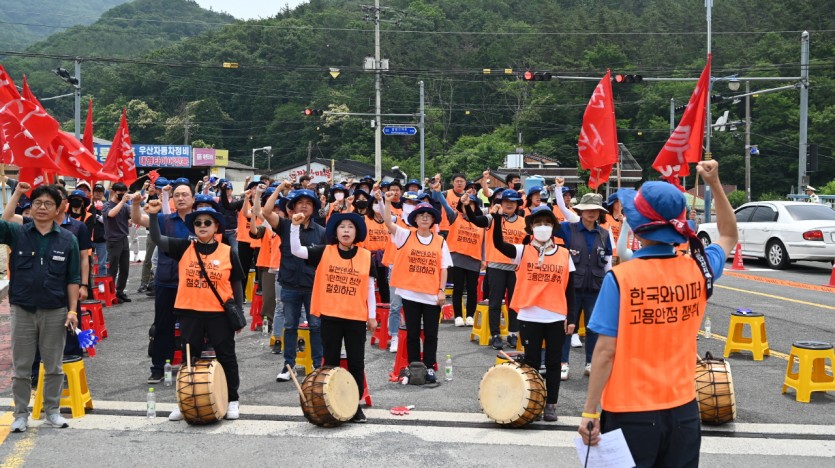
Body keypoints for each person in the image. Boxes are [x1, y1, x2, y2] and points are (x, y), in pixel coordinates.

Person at [578, 160, 737, 466]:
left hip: (629, 410)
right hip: (684, 409)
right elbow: (729, 235)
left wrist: (589, 410)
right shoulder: (700, 268)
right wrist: (714, 184)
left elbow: (605, 352)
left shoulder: (621, 278)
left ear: (638, 228)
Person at [146, 201, 245, 421]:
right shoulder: (184, 247)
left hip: (219, 313)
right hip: (190, 312)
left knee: (226, 356)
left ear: (216, 227)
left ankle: (232, 399)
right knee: (189, 359)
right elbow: (158, 239)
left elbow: (236, 283)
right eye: (198, 223)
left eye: (208, 223)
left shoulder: (228, 251)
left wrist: (238, 314)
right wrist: (153, 216)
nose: (202, 226)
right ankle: (186, 402)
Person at [0, 183, 80, 432]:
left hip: (55, 310)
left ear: (58, 209)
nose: (42, 207)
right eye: (37, 203)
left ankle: (52, 411)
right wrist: (17, 193)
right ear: (31, 207)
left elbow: (73, 279)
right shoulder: (18, 233)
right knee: (22, 367)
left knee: (53, 365)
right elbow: (2, 222)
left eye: (48, 203)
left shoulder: (68, 239)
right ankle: (20, 414)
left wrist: (72, 310)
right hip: (22, 309)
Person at [290, 211, 377, 422]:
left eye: (350, 227)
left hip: (356, 317)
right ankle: (331, 404)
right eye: (342, 227)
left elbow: (369, 289)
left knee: (356, 363)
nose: (346, 230)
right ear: (335, 232)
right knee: (330, 362)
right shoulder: (324, 251)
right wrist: (294, 226)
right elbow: (296, 250)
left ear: (356, 232)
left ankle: (354, 406)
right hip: (331, 316)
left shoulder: (366, 256)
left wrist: (372, 316)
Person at [491, 205, 576, 421]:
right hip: (529, 315)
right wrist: (497, 219)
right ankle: (533, 401)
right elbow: (499, 244)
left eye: (547, 223)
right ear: (531, 228)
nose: (543, 227)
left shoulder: (565, 254)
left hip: (556, 316)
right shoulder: (522, 251)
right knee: (532, 361)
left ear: (553, 227)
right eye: (538, 223)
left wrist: (572, 318)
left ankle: (551, 404)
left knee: (554, 363)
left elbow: (571, 290)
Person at [131, 182, 199, 383]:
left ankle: (191, 365)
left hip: (192, 283)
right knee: (163, 326)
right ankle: (159, 367)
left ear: (193, 199)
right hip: (166, 281)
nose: (180, 198)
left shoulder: (201, 222)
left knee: (192, 327)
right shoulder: (164, 219)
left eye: (185, 194)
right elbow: (137, 219)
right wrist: (135, 203)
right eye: (177, 195)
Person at [383, 192, 451, 385]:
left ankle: (429, 366)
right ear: (415, 219)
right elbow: (388, 223)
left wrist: (441, 291)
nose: (425, 218)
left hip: (431, 295)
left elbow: (443, 268)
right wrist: (387, 202)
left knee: (431, 334)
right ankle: (414, 367)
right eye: (421, 215)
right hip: (410, 293)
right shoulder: (405, 235)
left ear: (433, 220)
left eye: (428, 216)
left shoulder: (440, 241)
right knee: (412, 333)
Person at [261, 184, 326, 382]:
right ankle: (288, 366)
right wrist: (280, 188)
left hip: (313, 286)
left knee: (316, 326)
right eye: (300, 203)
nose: (304, 206)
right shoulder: (285, 226)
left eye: (308, 203)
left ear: (313, 208)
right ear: (293, 207)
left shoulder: (322, 232)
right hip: (289, 285)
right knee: (290, 326)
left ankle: (317, 365)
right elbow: (266, 211)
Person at [554, 191, 613, 381]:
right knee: (567, 326)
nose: (591, 213)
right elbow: (545, 227)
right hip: (571, 287)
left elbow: (607, 262)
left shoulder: (604, 234)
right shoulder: (568, 228)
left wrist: (610, 285)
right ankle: (563, 363)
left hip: (595, 287)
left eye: (595, 209)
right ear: (580, 211)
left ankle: (591, 363)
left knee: (593, 327)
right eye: (588, 209)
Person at [463, 188, 526, 350]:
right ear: (501, 203)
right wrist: (467, 206)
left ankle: (513, 334)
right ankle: (495, 335)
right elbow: (475, 220)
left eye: (513, 202)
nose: (509, 204)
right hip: (496, 266)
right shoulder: (493, 217)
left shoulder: (523, 222)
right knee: (495, 302)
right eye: (506, 202)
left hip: (516, 268)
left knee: (514, 303)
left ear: (518, 204)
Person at [430, 179, 483, 327]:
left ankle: (470, 315)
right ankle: (459, 315)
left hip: (474, 259)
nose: (469, 207)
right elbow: (445, 204)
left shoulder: (481, 221)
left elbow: (484, 242)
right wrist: (437, 192)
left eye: (471, 205)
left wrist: (484, 260)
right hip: (457, 258)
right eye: (466, 205)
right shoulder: (454, 216)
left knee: (472, 290)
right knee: (458, 288)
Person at [103, 182, 132, 303]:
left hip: (124, 239)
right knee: (113, 269)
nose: (122, 196)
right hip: (113, 241)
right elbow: (111, 214)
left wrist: (135, 204)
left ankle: (120, 292)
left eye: (124, 193)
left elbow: (131, 217)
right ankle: (111, 294)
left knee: (125, 268)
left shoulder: (125, 206)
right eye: (120, 193)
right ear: (113, 192)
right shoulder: (107, 205)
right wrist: (122, 202)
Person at [91, 184, 108, 276]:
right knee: (88, 262)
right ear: (93, 192)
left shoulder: (106, 205)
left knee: (102, 264)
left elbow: (108, 221)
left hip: (102, 238)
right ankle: (89, 281)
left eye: (100, 191)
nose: (98, 193)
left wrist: (97, 216)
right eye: (96, 191)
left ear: (103, 193)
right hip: (89, 238)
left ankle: (101, 282)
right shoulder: (88, 204)